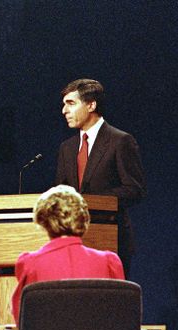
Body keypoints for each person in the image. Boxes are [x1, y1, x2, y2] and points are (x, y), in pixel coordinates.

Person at [54, 78, 145, 276]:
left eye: (70, 104)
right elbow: (61, 193)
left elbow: (134, 189)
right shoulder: (66, 148)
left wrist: (90, 202)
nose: (64, 111)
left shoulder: (120, 141)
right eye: (63, 105)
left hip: (111, 240)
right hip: (73, 243)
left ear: (91, 105)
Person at [11, 185, 125, 325]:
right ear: (84, 218)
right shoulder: (109, 262)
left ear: (43, 220)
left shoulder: (30, 263)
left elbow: (22, 320)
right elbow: (123, 318)